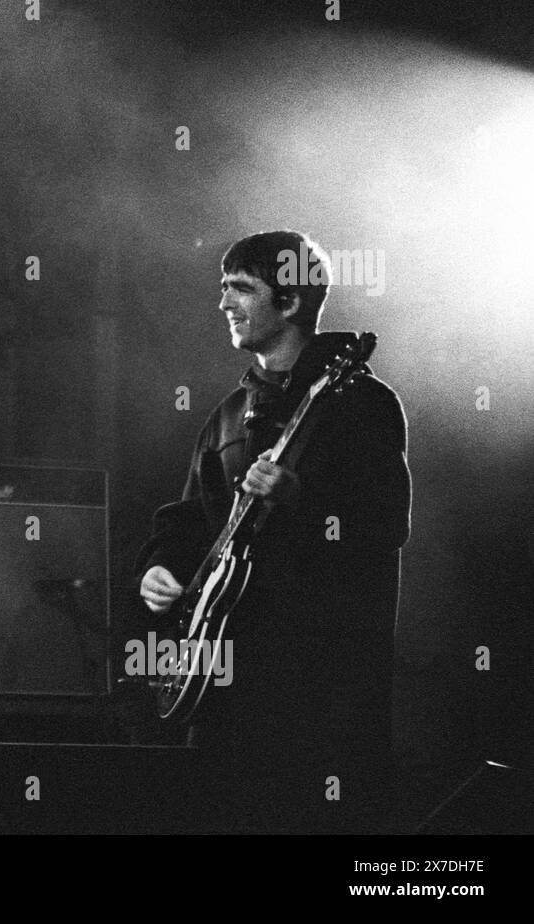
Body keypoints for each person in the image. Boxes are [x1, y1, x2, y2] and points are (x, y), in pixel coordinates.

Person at [136, 230, 411, 833]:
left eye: (240, 288)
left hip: (320, 686)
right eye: (224, 288)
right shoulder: (228, 414)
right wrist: (161, 568)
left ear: (289, 303)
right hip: (225, 682)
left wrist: (302, 501)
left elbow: (386, 524)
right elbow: (190, 518)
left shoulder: (361, 403)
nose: (223, 303)